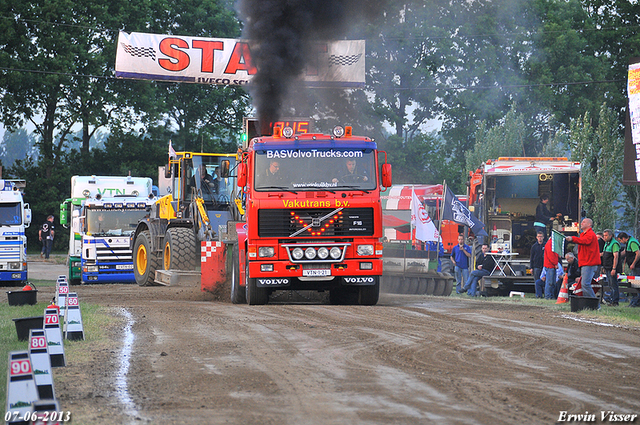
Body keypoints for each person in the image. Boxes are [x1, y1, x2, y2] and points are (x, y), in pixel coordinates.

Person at [565, 218, 600, 299]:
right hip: (585, 263)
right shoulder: (584, 234)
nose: (581, 223)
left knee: (585, 284)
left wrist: (573, 238)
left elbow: (585, 241)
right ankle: (588, 303)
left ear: (589, 224)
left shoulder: (590, 234)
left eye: (584, 222)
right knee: (584, 284)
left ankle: (594, 303)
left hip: (589, 263)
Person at [618, 232, 640, 307]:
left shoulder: (632, 242)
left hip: (637, 266)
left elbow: (638, 253)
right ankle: (635, 301)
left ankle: (635, 302)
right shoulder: (628, 242)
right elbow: (625, 252)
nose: (621, 242)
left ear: (624, 238)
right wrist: (617, 255)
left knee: (634, 284)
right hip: (633, 267)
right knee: (631, 283)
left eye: (620, 240)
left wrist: (633, 263)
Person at [601, 229, 621, 306]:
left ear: (610, 236)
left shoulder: (614, 244)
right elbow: (605, 254)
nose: (604, 237)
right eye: (604, 235)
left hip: (611, 268)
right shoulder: (607, 243)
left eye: (606, 235)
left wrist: (614, 268)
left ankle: (615, 301)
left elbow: (616, 257)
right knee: (610, 284)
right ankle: (611, 300)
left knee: (613, 285)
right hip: (607, 267)